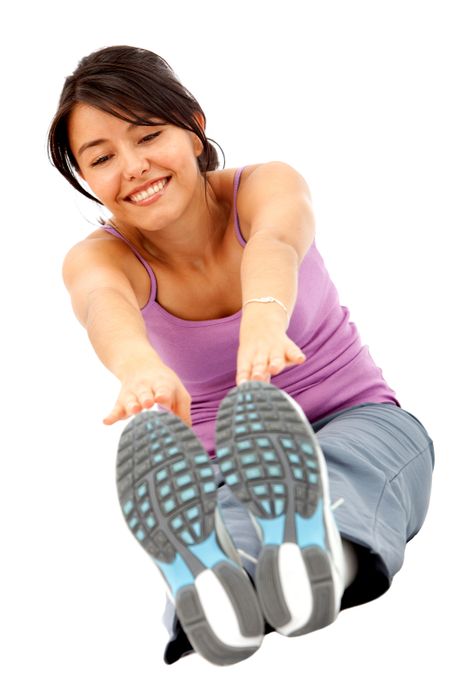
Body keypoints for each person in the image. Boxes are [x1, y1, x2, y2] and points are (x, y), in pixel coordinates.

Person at [48, 45, 435, 666]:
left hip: (357, 414)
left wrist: (264, 316)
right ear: (84, 176)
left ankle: (288, 561)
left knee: (350, 472)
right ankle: (234, 580)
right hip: (222, 458)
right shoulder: (100, 256)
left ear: (194, 126)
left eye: (148, 136)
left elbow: (276, 241)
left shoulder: (265, 185)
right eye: (102, 157)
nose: (134, 167)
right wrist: (139, 368)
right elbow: (102, 307)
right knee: (233, 515)